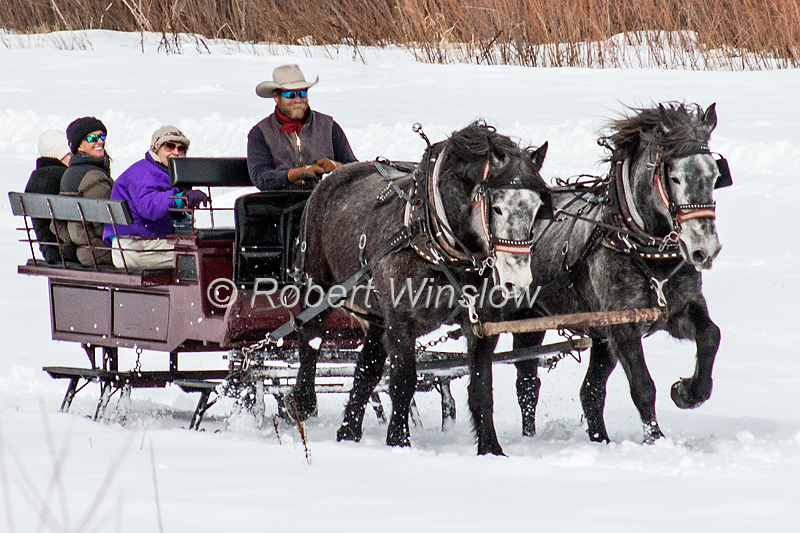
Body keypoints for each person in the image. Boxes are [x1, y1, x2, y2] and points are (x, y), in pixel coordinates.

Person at [103, 126, 208, 269]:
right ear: (156, 149)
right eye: (169, 146)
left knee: (205, 248)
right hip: (132, 247)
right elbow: (149, 206)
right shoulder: (143, 172)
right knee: (200, 256)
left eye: (181, 148)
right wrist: (180, 198)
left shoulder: (170, 174)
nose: (176, 152)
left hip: (149, 242)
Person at [247, 64, 357, 191]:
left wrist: (336, 167)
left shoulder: (329, 126)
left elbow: (355, 169)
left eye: (302, 93)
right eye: (291, 94)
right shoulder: (261, 132)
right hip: (280, 203)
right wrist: (293, 175)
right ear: (276, 97)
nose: (298, 100)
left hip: (326, 201)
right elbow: (260, 176)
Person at [57, 117, 115, 267]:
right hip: (102, 253)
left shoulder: (69, 174)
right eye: (92, 138)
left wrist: (76, 244)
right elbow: (104, 223)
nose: (100, 141)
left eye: (102, 136)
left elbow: (57, 224)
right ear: (79, 145)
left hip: (84, 252)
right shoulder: (94, 176)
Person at [25, 129, 75, 264]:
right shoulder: (65, 178)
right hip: (73, 254)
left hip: (50, 253)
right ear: (63, 155)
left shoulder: (34, 179)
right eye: (71, 154)